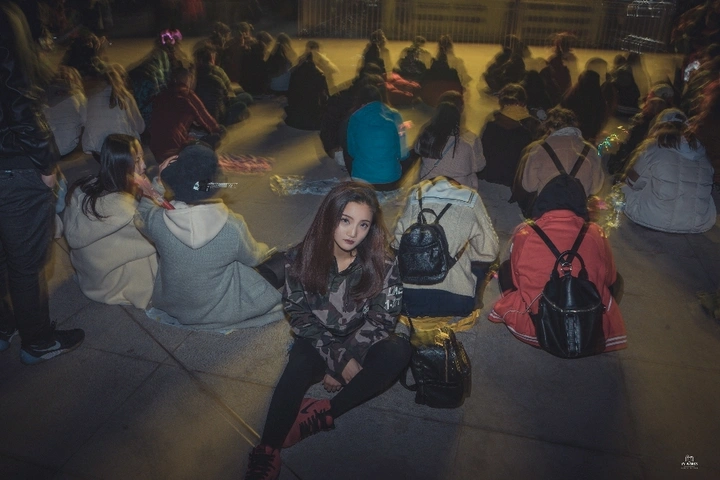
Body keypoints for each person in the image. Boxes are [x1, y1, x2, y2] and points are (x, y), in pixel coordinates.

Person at [243, 182, 411, 480]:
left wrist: (349, 355)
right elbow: (299, 316)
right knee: (297, 366)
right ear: (329, 217)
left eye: (363, 224)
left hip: (362, 338)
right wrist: (338, 359)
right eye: (345, 220)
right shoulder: (298, 259)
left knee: (399, 351)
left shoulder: (384, 262)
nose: (353, 232)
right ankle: (267, 449)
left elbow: (383, 319)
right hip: (318, 338)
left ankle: (326, 412)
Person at [0, 0, 84, 364]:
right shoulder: (6, 17)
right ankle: (37, 341)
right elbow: (18, 96)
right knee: (26, 262)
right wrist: (46, 162)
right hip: (13, 162)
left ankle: (4, 326)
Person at [134, 143, 285, 331]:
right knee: (278, 263)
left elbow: (140, 215)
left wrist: (157, 183)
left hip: (175, 305)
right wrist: (266, 249)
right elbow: (254, 258)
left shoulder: (157, 220)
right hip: (219, 309)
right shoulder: (231, 226)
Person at [490, 175, 627, 352]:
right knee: (617, 280)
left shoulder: (525, 232)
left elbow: (517, 281)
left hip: (536, 328)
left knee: (506, 269)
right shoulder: (595, 232)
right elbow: (610, 278)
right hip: (586, 326)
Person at [63, 134, 157, 308]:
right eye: (137, 161)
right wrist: (152, 193)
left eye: (142, 157)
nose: (144, 165)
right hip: (110, 283)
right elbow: (157, 236)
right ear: (121, 165)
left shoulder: (85, 187)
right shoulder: (126, 212)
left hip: (91, 277)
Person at [393, 177, 499, 317]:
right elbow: (489, 252)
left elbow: (397, 244)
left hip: (406, 300)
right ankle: (473, 298)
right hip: (458, 302)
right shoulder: (471, 199)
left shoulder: (415, 195)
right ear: (456, 187)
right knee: (489, 261)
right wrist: (463, 250)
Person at [622, 109, 716, 234]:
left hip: (654, 218)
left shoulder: (653, 147)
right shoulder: (703, 152)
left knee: (622, 189)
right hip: (698, 222)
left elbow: (633, 183)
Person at [513, 107, 605, 216]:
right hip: (576, 213)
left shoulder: (538, 149)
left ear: (550, 127)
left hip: (546, 211)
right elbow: (595, 188)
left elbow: (529, 186)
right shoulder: (591, 151)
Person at [149, 66, 224, 160]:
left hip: (156, 150)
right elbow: (205, 117)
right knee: (217, 135)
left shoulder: (162, 95)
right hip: (175, 150)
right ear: (189, 80)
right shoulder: (187, 94)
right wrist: (217, 130)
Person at [346, 85, 410, 190]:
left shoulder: (355, 117)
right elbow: (403, 153)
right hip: (391, 180)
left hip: (362, 180)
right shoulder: (394, 115)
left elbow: (351, 151)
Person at [479, 84, 541, 187]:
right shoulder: (526, 133)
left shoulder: (490, 127)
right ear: (522, 103)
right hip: (510, 186)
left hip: (486, 184)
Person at [415, 102, 484, 190]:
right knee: (472, 175)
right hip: (457, 189)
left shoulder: (427, 139)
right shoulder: (465, 145)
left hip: (429, 186)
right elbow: (479, 166)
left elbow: (417, 150)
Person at [82, 62, 145, 158]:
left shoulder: (91, 97)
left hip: (98, 151)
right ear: (123, 79)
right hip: (121, 151)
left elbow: (84, 122)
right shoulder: (125, 97)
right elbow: (140, 127)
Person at [43, 65, 87, 156]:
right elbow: (86, 121)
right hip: (67, 147)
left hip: (46, 147)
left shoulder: (43, 96)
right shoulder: (78, 96)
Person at [561, 69, 611, 143]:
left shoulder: (572, 95)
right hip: (585, 135)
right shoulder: (597, 97)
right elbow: (601, 117)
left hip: (574, 133)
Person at [284, 52, 329, 130]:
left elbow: (290, 95)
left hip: (296, 115)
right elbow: (324, 97)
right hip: (312, 115)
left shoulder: (295, 73)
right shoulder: (319, 75)